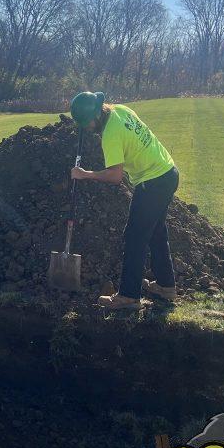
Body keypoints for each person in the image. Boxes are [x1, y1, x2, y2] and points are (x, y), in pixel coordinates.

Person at [69, 91, 178, 310]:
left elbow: (115, 176)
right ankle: (166, 286)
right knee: (156, 232)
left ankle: (129, 296)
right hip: (169, 172)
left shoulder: (111, 135)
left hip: (153, 181)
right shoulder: (120, 109)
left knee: (134, 236)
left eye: (86, 124)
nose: (87, 129)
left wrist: (85, 174)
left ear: (96, 116)